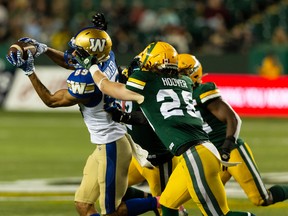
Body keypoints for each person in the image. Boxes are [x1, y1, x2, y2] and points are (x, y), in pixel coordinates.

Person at [74, 40, 255, 216]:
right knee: (167, 204)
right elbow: (155, 106)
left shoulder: (145, 80)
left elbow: (107, 86)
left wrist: (92, 66)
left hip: (196, 155)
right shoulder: (184, 81)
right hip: (198, 153)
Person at [6, 27, 160, 216]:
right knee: (83, 204)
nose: (74, 52)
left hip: (113, 145)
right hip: (106, 143)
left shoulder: (87, 81)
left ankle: (162, 203)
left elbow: (52, 100)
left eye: (79, 49)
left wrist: (29, 71)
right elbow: (73, 62)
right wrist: (44, 49)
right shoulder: (108, 57)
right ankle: (154, 201)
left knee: (113, 211)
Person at [177, 53, 288, 207]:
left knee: (262, 199)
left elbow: (233, 119)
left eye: (180, 73)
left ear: (193, 73)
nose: (175, 77)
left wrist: (227, 146)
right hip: (210, 155)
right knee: (206, 199)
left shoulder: (201, 92)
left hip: (228, 151)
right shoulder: (175, 97)